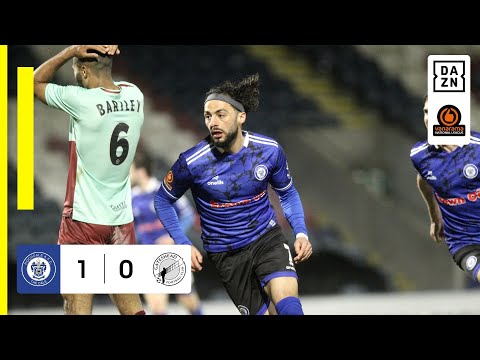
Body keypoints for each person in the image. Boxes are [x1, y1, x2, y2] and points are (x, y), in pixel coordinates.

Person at [154, 73, 313, 315]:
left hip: (266, 239)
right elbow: (162, 200)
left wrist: (300, 232)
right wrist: (182, 242)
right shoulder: (192, 162)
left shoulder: (268, 151)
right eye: (208, 116)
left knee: (288, 304)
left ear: (241, 117)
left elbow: (287, 192)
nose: (213, 122)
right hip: (225, 253)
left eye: (220, 115)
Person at [33, 45, 145, 315]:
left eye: (75, 68)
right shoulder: (135, 94)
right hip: (121, 220)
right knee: (130, 303)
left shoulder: (81, 100)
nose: (74, 74)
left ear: (84, 69)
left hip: (83, 218)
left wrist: (71, 51)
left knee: (75, 302)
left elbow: (33, 81)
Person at [410, 94, 480, 284]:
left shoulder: (477, 148)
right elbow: (423, 180)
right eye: (426, 112)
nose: (429, 117)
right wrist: (435, 216)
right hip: (463, 241)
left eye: (435, 111)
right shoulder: (420, 155)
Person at [130, 151, 204, 315]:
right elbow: (135, 229)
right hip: (148, 255)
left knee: (189, 302)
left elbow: (187, 215)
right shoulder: (131, 197)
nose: (128, 174)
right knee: (156, 307)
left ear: (141, 171)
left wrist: (172, 237)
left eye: (131, 169)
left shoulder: (164, 191)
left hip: (171, 253)